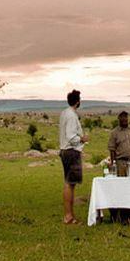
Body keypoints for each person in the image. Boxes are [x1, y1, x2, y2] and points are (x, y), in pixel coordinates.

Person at [58, 89, 85, 225]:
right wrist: (82, 139)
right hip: (71, 151)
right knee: (70, 183)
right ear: (78, 101)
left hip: (64, 150)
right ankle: (68, 216)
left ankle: (69, 215)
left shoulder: (64, 113)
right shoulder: (72, 115)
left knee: (69, 183)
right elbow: (71, 135)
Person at [108, 110, 130, 176]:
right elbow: (112, 149)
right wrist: (112, 163)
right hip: (121, 163)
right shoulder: (114, 132)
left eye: (126, 117)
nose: (124, 119)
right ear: (118, 118)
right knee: (122, 184)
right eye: (122, 117)